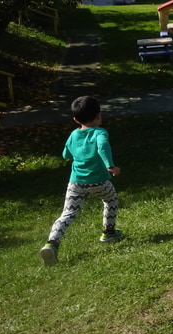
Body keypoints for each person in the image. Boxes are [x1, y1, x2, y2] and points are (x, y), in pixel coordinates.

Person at [40, 96, 122, 267]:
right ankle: (109, 232)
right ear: (99, 115)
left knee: (68, 214)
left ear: (76, 120)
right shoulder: (100, 132)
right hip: (99, 182)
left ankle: (52, 244)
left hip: (76, 183)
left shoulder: (73, 134)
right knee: (111, 200)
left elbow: (65, 155)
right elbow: (102, 146)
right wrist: (110, 165)